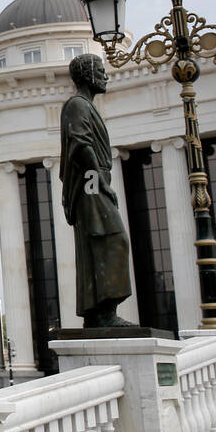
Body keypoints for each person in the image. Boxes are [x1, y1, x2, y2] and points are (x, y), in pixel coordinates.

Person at [60, 54, 134, 327]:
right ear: (88, 74)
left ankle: (97, 313)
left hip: (93, 181)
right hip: (90, 183)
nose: (105, 75)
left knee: (102, 241)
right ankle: (104, 313)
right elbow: (80, 146)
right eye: (100, 71)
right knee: (113, 240)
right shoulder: (77, 105)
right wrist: (100, 184)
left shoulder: (85, 106)